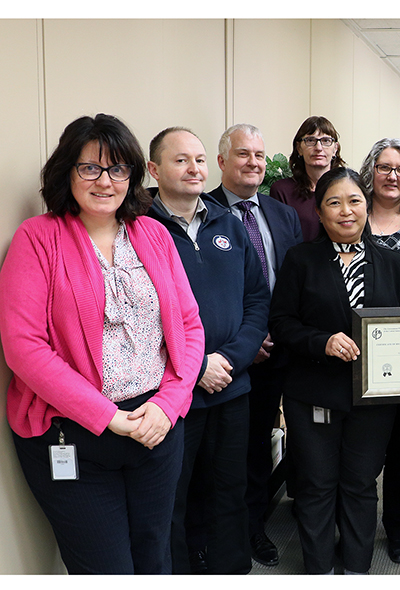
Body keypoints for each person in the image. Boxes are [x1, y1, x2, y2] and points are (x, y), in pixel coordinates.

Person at [0, 114, 205, 574]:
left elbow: (190, 328)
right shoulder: (38, 239)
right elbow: (23, 347)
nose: (104, 181)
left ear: (132, 176)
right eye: (89, 168)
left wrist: (169, 404)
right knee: (104, 569)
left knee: (155, 558)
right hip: (73, 435)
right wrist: (106, 416)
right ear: (66, 172)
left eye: (117, 169)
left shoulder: (153, 234)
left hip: (155, 428)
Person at [269, 167, 400, 574]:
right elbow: (281, 324)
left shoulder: (392, 263)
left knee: (361, 484)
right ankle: (319, 570)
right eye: (334, 202)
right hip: (313, 392)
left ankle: (355, 568)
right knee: (316, 486)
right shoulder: (301, 260)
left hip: (374, 397)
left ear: (367, 206)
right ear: (318, 211)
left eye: (354, 201)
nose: (346, 211)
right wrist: (323, 341)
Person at [146, 127, 269, 574]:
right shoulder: (139, 231)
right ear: (154, 169)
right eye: (181, 160)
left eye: (199, 159)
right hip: (173, 394)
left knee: (228, 491)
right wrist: (196, 365)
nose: (194, 168)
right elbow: (138, 319)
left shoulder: (228, 225)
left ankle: (231, 571)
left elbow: (257, 301)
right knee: (172, 497)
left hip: (231, 388)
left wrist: (230, 360)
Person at [208, 123, 303, 568]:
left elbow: (293, 282)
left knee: (262, 446)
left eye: (260, 156)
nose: (254, 163)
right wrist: (247, 339)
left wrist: (275, 331)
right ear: (223, 161)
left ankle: (254, 525)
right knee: (229, 455)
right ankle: (227, 535)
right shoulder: (201, 212)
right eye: (243, 154)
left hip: (278, 350)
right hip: (226, 358)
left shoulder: (280, 212)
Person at [359, 137, 400, 563]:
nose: (392, 176)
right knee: (363, 449)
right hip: (356, 354)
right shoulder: (351, 214)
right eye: (384, 167)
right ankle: (356, 528)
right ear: (371, 173)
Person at [270, 116, 346, 242]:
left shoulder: (347, 189)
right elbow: (280, 241)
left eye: (326, 140)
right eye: (310, 140)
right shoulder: (282, 191)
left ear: (335, 149)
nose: (318, 148)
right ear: (299, 148)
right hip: (298, 261)